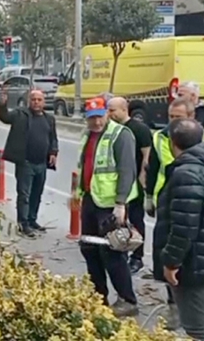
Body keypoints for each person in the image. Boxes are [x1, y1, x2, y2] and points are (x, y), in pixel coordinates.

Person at [153, 118, 204, 341]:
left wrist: (171, 262)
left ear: (172, 142)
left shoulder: (186, 172)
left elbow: (183, 227)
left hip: (191, 259)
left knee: (196, 328)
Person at [145, 97, 204, 329]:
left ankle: (191, 318)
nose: (172, 122)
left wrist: (171, 260)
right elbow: (153, 168)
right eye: (170, 117)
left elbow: (185, 226)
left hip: (186, 206)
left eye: (178, 117)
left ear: (191, 117)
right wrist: (149, 195)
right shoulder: (160, 137)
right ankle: (174, 307)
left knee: (184, 269)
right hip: (167, 201)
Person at [75, 96, 139, 317]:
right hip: (91, 200)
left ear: (107, 114)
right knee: (89, 249)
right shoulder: (88, 135)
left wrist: (120, 204)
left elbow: (127, 170)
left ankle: (127, 299)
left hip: (110, 205)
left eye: (99, 117)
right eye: (91, 119)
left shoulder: (121, 135)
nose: (96, 123)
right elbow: (84, 167)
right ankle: (98, 296)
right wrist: (77, 194)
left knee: (111, 252)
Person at [0, 88, 59, 237]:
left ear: (44, 102)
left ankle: (32, 220)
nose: (36, 102)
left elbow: (53, 138)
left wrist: (53, 152)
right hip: (25, 162)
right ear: (28, 101)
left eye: (39, 100)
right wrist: (2, 104)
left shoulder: (49, 119)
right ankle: (23, 224)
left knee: (37, 193)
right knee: (24, 194)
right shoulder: (20, 114)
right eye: (33, 99)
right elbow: (4, 116)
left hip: (41, 163)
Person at [106, 97, 152, 274]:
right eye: (108, 110)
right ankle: (120, 249)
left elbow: (146, 156)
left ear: (124, 110)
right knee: (119, 219)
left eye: (113, 110)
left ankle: (137, 257)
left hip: (135, 183)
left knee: (136, 219)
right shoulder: (111, 130)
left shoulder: (139, 129)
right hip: (117, 183)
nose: (110, 114)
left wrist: (142, 177)